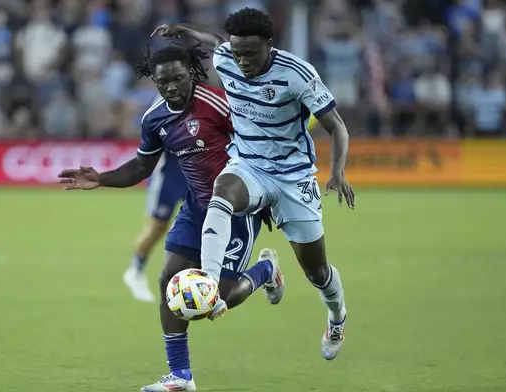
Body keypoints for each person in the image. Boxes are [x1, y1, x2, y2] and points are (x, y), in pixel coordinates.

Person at [57, 43, 284, 392]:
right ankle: (180, 376)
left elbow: (260, 144)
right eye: (164, 82)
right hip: (195, 209)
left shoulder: (217, 104)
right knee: (168, 278)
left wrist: (267, 195)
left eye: (178, 78)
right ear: (155, 81)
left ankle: (267, 270)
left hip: (236, 209)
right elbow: (141, 166)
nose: (172, 87)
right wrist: (101, 178)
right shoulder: (155, 118)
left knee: (219, 298)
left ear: (190, 74)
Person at [152, 7, 355, 361]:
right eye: (237, 52)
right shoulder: (226, 55)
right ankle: (209, 284)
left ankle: (337, 315)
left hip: (293, 177)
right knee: (222, 193)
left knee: (316, 270)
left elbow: (336, 126)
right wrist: (181, 28)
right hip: (249, 166)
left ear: (269, 45)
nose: (242, 61)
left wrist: (337, 172)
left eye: (250, 53)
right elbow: (214, 40)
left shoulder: (297, 74)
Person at [123, 151, 187, 303]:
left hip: (196, 173)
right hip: (168, 176)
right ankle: (135, 271)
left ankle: (198, 281)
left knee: (203, 223)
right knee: (157, 229)